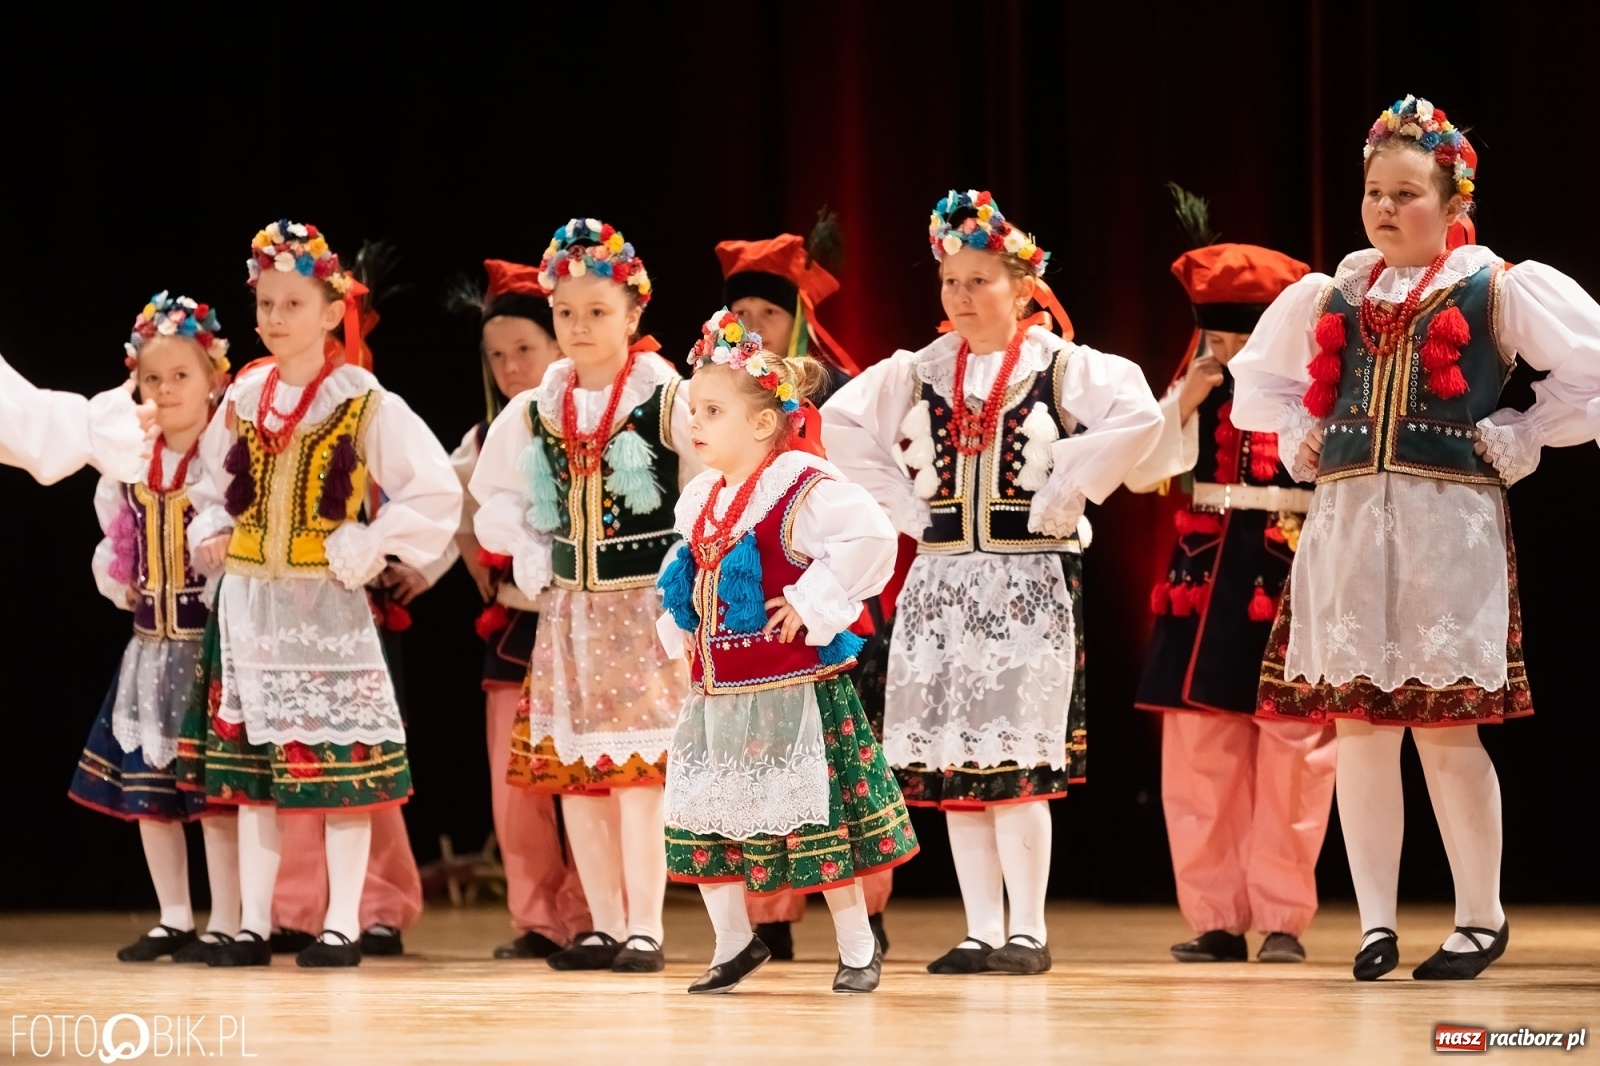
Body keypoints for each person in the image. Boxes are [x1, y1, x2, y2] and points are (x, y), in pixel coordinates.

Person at [1230, 95, 1600, 980]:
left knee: (1445, 731)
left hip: (1445, 533)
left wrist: (1525, 432)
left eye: (1407, 193)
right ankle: (1376, 924)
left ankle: (1479, 916)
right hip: (1348, 530)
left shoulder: (1493, 287)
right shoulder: (1333, 293)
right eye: (1374, 192)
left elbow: (1590, 368)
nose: (1386, 209)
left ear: (1452, 203)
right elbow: (1259, 385)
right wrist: (1300, 432)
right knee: (1359, 729)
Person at [823, 190, 1162, 974]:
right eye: (952, 282)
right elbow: (841, 421)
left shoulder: (1060, 367)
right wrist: (903, 504)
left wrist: (1070, 486)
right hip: (942, 585)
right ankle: (980, 929)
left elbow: (1139, 414)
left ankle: (1028, 932)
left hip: (1027, 584)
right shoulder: (921, 370)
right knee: (957, 765)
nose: (962, 296)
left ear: (1024, 287)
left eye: (980, 281)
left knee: (1015, 768)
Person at [180, 219, 460, 968]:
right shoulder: (244, 395)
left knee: (340, 768)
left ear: (333, 311)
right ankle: (253, 923)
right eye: (265, 304)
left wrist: (372, 541)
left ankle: (341, 922)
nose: (274, 318)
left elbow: (433, 488)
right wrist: (214, 525)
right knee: (257, 775)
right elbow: (210, 484)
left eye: (292, 304)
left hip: (322, 607)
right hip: (250, 608)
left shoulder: (360, 398)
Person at [658, 311, 915, 993]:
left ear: (764, 422)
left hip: (790, 690)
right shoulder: (703, 497)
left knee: (816, 825)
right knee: (705, 817)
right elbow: (685, 571)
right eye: (693, 410)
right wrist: (678, 620)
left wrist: (812, 598)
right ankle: (734, 942)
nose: (695, 423)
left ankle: (857, 945)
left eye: (713, 411)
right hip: (717, 695)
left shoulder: (801, 483)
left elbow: (873, 539)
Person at [470, 219, 697, 973]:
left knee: (639, 777)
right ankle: (603, 922)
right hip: (572, 614)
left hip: (644, 611)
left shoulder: (663, 396)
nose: (579, 326)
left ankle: (645, 927)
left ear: (633, 314)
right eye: (566, 312)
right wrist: (532, 549)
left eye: (597, 311)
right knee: (581, 774)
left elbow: (707, 485)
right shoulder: (540, 405)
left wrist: (685, 569)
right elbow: (497, 494)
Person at [1125, 210, 1337, 964]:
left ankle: (1282, 917)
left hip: (1287, 565)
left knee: (1295, 750)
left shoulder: (1317, 387)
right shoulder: (1195, 386)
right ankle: (1216, 917)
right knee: (1199, 751)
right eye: (1215, 338)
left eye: (1239, 338)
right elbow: (1139, 472)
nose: (1227, 352)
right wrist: (1185, 399)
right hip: (1207, 570)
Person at [69, 293, 240, 963]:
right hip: (150, 648)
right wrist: (122, 580)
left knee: (214, 797)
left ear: (213, 380)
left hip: (209, 651)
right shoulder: (130, 463)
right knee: (151, 792)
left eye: (180, 376)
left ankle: (228, 917)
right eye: (152, 378)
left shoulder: (222, 460)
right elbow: (114, 539)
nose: (165, 390)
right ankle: (174, 915)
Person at [451, 257, 589, 958]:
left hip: (590, 622)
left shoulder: (594, 423)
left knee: (589, 774)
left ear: (560, 344)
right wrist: (475, 561)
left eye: (524, 350)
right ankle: (537, 918)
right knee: (516, 786)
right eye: (498, 355)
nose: (510, 368)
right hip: (514, 627)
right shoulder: (484, 440)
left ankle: (594, 914)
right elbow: (452, 508)